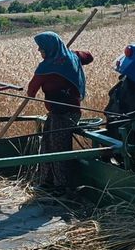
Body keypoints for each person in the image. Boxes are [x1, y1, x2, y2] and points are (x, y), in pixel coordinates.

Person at [27, 31, 93, 188]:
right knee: (49, 146)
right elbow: (89, 56)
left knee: (56, 150)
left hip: (61, 115)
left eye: (41, 47)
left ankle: (60, 187)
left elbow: (31, 92)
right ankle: (48, 183)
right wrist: (70, 53)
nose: (39, 51)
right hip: (69, 112)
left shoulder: (46, 68)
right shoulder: (73, 57)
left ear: (49, 49)